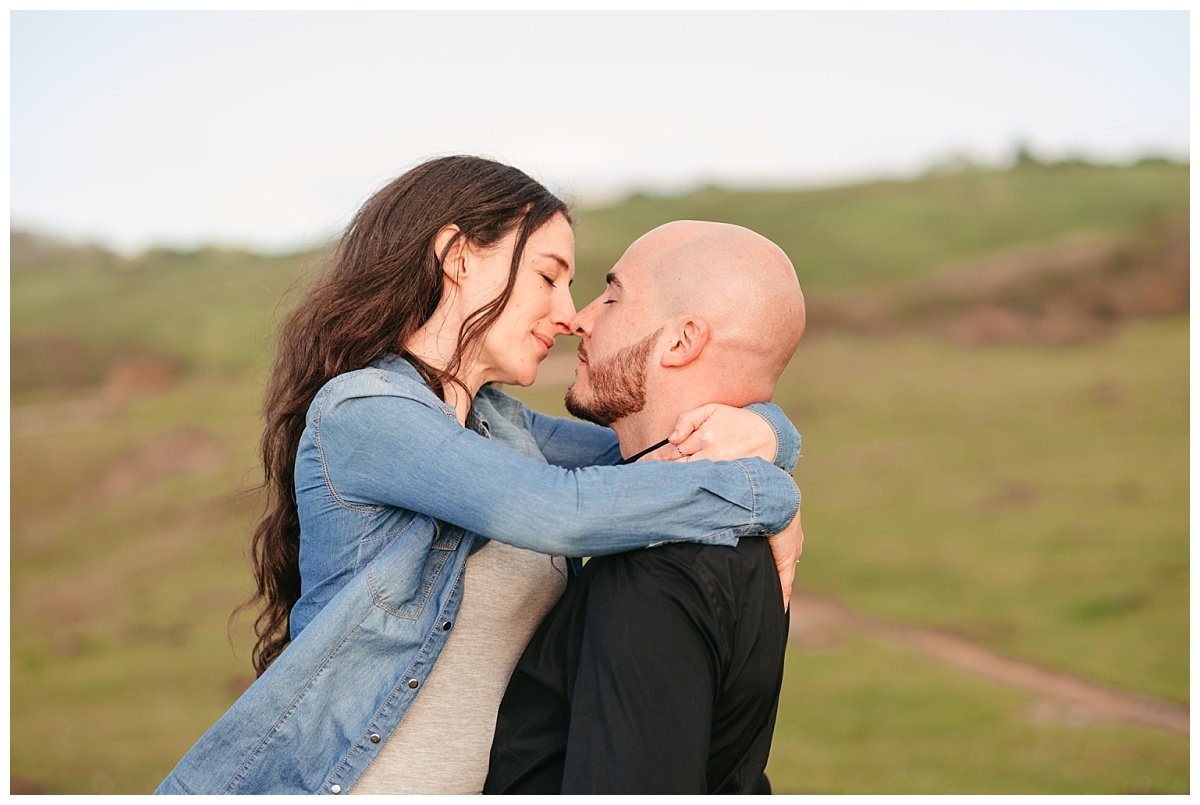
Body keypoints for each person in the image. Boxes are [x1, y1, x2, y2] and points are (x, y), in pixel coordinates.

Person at [154, 156, 803, 795]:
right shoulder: (367, 412)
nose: (568, 313)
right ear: (458, 257)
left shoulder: (505, 430)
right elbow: (564, 512)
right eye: (549, 277)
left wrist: (772, 431)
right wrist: (768, 492)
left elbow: (657, 456)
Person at [484, 220, 806, 795]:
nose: (580, 318)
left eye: (613, 295)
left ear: (682, 341)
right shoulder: (741, 535)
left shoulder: (651, 568)